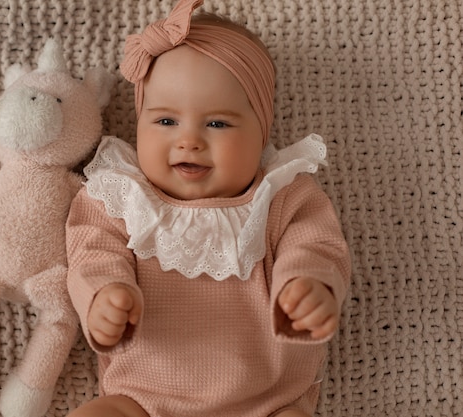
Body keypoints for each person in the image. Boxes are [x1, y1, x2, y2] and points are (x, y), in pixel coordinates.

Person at [65, 0, 351, 416]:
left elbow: (318, 248)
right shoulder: (118, 197)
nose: (189, 141)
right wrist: (105, 295)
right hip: (141, 398)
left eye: (217, 123)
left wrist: (308, 287)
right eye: (165, 122)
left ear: (261, 132)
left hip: (267, 400)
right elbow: (90, 256)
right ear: (139, 122)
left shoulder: (284, 196)